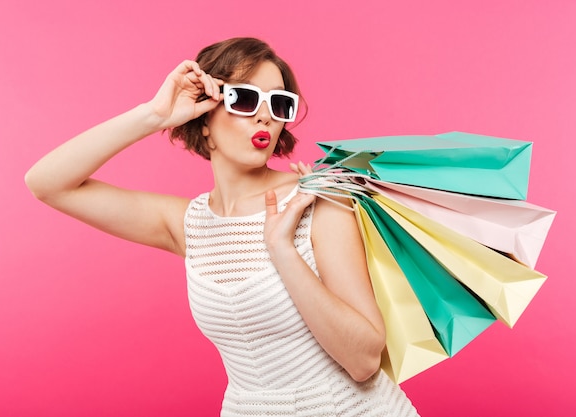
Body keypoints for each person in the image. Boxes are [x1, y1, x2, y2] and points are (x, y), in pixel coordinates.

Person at [25, 37, 419, 417]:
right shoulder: (188, 224)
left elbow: (365, 360)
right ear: (204, 117)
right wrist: (154, 115)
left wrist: (283, 250)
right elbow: (47, 183)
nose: (265, 115)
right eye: (245, 99)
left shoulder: (315, 200)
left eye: (279, 104)